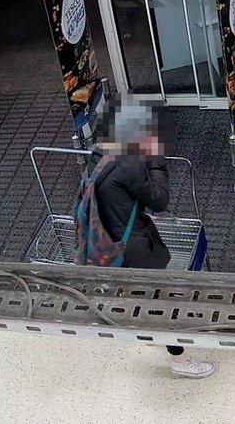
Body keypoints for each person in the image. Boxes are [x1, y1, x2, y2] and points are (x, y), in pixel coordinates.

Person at [87, 95, 216, 379]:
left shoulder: (98, 156)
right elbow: (159, 199)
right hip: (136, 247)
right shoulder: (128, 165)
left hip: (111, 240)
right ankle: (180, 361)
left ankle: (149, 321)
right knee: (161, 304)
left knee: (146, 293)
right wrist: (155, 160)